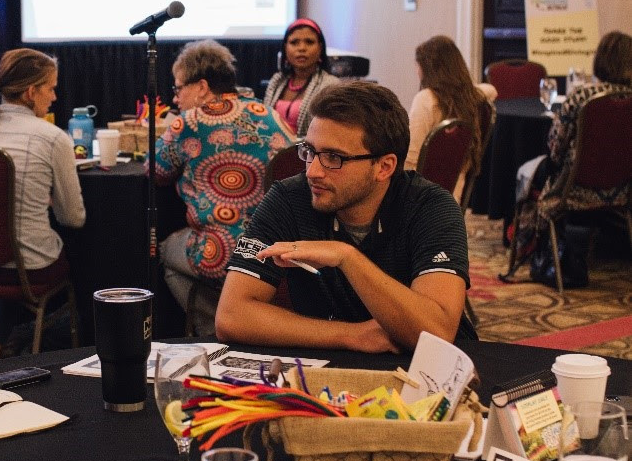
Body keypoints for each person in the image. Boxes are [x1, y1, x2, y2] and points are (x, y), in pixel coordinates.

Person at [216, 80, 476, 353]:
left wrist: (347, 257)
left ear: (384, 167)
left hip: (431, 369)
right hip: (332, 368)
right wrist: (352, 336)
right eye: (310, 151)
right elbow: (231, 316)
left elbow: (437, 332)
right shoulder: (288, 199)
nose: (313, 171)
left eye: (334, 157)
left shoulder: (430, 207)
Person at [151, 39, 292, 336]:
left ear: (202, 87)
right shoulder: (269, 114)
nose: (176, 98)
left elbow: (156, 170)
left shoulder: (188, 122)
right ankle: (239, 319)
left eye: (178, 88)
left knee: (163, 251)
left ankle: (213, 328)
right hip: (273, 251)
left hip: (219, 251)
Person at [0, 48, 85, 362]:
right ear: (31, 92)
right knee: (70, 252)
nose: (55, 97)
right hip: (27, 269)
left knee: (9, 244)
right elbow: (73, 218)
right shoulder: (52, 138)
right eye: (51, 89)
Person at [508, 31, 632, 267]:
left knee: (530, 172)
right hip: (622, 191)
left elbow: (556, 148)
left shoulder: (581, 97)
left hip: (574, 190)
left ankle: (527, 244)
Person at [404, 35, 497, 202]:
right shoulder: (470, 98)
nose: (417, 72)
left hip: (419, 198)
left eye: (418, 66)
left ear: (427, 69)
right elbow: (491, 90)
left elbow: (411, 159)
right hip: (452, 197)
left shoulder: (426, 100)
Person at [263, 18, 340, 137]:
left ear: (320, 48)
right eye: (294, 42)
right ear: (285, 48)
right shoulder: (277, 81)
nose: (302, 48)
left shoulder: (331, 85)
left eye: (309, 42)